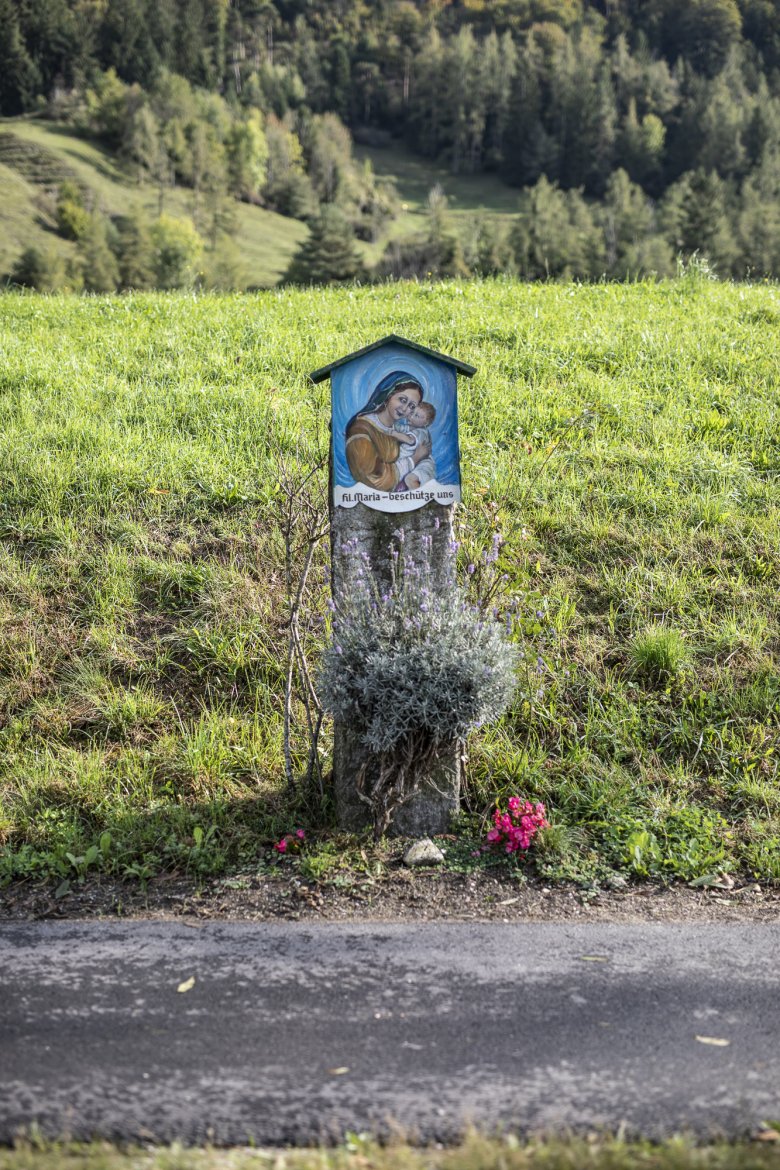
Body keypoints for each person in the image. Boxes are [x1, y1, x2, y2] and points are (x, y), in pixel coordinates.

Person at [345, 371, 432, 492]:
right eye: (402, 400)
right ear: (388, 395)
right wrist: (414, 459)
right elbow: (373, 478)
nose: (405, 409)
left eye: (412, 406)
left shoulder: (397, 430)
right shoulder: (361, 430)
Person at [393, 400, 437, 489]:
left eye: (417, 416)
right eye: (412, 413)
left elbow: (410, 440)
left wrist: (394, 434)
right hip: (414, 462)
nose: (411, 417)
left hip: (423, 464)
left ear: (426, 423)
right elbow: (399, 428)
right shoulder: (411, 427)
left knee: (410, 480)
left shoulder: (421, 432)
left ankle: (421, 499)